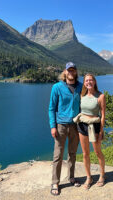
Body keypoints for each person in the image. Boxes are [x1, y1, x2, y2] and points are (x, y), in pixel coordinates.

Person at [48, 62, 83, 196]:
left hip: (76, 125)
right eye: (69, 70)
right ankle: (55, 182)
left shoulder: (81, 86)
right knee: (58, 155)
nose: (71, 72)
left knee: (72, 153)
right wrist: (53, 126)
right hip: (61, 125)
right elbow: (51, 108)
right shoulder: (57, 87)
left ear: (75, 72)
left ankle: (71, 177)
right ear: (65, 72)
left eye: (73, 70)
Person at [77, 73, 106, 189]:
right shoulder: (82, 95)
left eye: (91, 80)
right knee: (85, 154)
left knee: (98, 152)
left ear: (94, 82)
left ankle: (102, 175)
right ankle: (89, 177)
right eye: (86, 80)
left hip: (95, 126)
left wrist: (101, 131)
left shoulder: (100, 96)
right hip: (82, 125)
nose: (88, 82)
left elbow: (103, 115)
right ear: (84, 83)